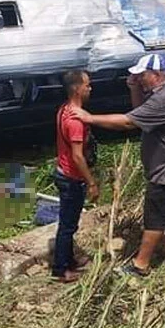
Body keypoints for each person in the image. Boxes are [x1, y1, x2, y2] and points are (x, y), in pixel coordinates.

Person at [71, 54, 165, 277]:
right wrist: (134, 88)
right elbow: (140, 113)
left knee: (155, 217)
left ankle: (140, 266)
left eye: (142, 76)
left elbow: (128, 122)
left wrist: (89, 118)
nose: (139, 79)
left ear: (156, 75)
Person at [52, 70, 99, 283]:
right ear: (76, 88)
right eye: (87, 85)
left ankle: (69, 260)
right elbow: (78, 157)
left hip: (63, 172)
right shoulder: (75, 121)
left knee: (69, 222)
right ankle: (61, 269)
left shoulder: (63, 110)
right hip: (71, 178)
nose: (90, 88)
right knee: (68, 225)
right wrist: (91, 182)